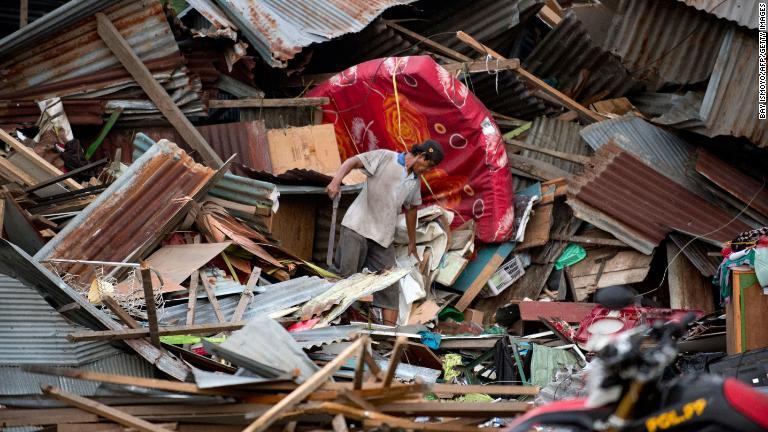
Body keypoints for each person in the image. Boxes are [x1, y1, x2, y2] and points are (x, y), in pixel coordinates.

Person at [326, 140, 445, 308]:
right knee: (345, 278)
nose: (428, 171)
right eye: (429, 166)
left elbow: (411, 209)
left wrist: (412, 242)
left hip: (383, 237)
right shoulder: (385, 157)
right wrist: (335, 181)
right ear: (422, 156)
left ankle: (390, 333)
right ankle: (325, 320)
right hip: (358, 227)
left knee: (389, 287)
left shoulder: (414, 181)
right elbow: (352, 161)